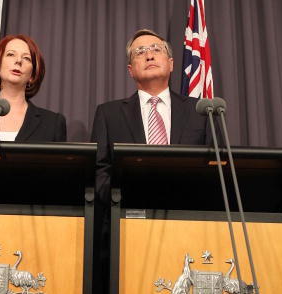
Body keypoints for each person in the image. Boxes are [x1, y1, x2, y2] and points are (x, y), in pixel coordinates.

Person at [89, 29, 214, 294]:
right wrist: (121, 201)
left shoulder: (200, 111)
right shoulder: (109, 113)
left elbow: (214, 168)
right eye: (140, 52)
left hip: (189, 226)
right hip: (127, 227)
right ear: (130, 69)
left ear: (170, 63)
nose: (148, 55)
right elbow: (99, 170)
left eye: (156, 49)